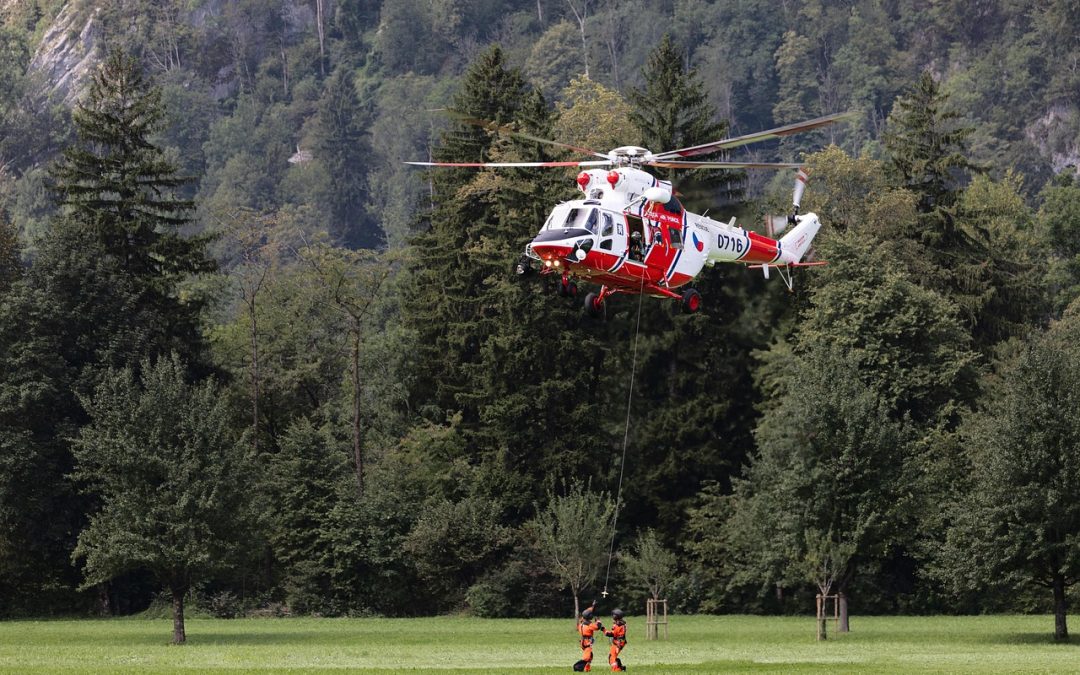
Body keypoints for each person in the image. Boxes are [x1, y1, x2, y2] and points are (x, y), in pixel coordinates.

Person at [574, 605, 605, 672]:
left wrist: (593, 606)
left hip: (582, 641)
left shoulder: (581, 621)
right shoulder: (589, 625)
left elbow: (586, 612)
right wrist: (598, 621)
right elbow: (598, 627)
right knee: (587, 657)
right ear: (590, 617)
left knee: (590, 656)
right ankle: (578, 667)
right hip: (587, 642)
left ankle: (587, 669)